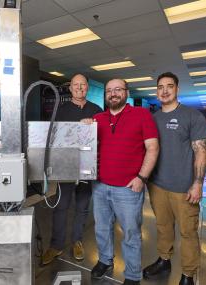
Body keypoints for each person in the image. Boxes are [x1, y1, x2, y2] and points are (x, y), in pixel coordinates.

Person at [84, 79, 159, 285]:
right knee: (101, 228)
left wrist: (141, 178)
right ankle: (105, 260)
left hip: (129, 188)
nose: (113, 93)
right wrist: (84, 128)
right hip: (99, 186)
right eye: (109, 91)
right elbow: (84, 147)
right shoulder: (98, 118)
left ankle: (133, 275)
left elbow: (152, 148)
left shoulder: (141, 115)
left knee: (131, 233)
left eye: (118, 89)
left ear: (126, 92)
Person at [143, 72, 206, 285]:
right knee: (163, 227)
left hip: (184, 188)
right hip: (157, 186)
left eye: (169, 86)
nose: (164, 90)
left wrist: (198, 183)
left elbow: (200, 151)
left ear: (177, 89)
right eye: (160, 87)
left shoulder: (192, 116)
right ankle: (164, 260)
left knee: (188, 232)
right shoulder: (153, 118)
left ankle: (188, 274)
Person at [41, 74, 103, 265]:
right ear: (70, 88)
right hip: (66, 166)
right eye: (76, 85)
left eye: (83, 85)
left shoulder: (97, 110)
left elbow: (103, 138)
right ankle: (56, 245)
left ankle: (77, 241)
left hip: (87, 167)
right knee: (61, 207)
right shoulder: (61, 110)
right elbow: (53, 138)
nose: (79, 88)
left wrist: (94, 126)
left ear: (87, 88)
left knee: (82, 208)